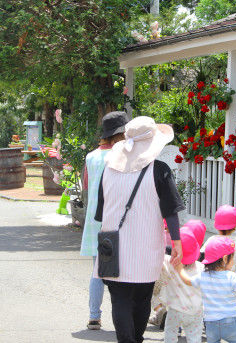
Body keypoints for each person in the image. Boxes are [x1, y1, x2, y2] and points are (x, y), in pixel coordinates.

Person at [94, 116, 185, 343]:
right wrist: (177, 243)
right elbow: (171, 212)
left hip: (111, 246)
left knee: (119, 298)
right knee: (142, 298)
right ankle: (134, 338)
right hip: (145, 248)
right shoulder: (159, 170)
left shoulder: (109, 169)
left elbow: (100, 213)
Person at [79, 111, 128, 330]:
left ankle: (93, 315)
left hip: (93, 220)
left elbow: (87, 187)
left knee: (97, 271)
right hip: (115, 219)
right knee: (123, 272)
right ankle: (125, 317)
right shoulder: (121, 156)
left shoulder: (91, 156)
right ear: (118, 135)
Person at [157, 227, 204, 343]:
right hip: (196, 311)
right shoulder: (202, 268)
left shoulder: (169, 263)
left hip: (175, 310)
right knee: (194, 337)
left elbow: (158, 257)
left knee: (170, 334)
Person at [201, 205, 236, 273]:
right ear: (235, 225)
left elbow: (201, 257)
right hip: (231, 280)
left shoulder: (211, 240)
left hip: (212, 278)